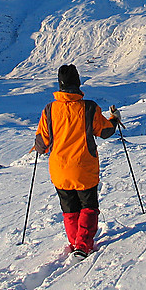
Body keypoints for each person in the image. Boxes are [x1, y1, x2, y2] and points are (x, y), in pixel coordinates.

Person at [34, 64, 120, 257]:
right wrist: (114, 119)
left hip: (59, 170)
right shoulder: (89, 108)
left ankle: (74, 242)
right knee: (88, 207)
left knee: (69, 209)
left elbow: (42, 143)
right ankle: (82, 245)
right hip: (84, 168)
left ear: (59, 85)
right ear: (78, 83)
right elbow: (105, 131)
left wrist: (38, 143)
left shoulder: (49, 109)